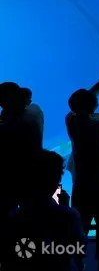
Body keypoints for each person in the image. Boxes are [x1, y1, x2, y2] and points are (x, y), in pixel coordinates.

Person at [65, 68, 99, 270]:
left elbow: (86, 98)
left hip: (80, 183)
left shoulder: (71, 120)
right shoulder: (98, 127)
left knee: (80, 225)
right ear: (91, 105)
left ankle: (78, 261)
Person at [0, 149, 85, 271]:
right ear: (56, 182)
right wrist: (66, 210)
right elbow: (79, 249)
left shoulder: (12, 219)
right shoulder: (69, 216)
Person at [0, 81, 46, 219]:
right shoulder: (35, 112)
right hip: (35, 177)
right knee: (34, 220)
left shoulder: (7, 127)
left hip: (9, 182)